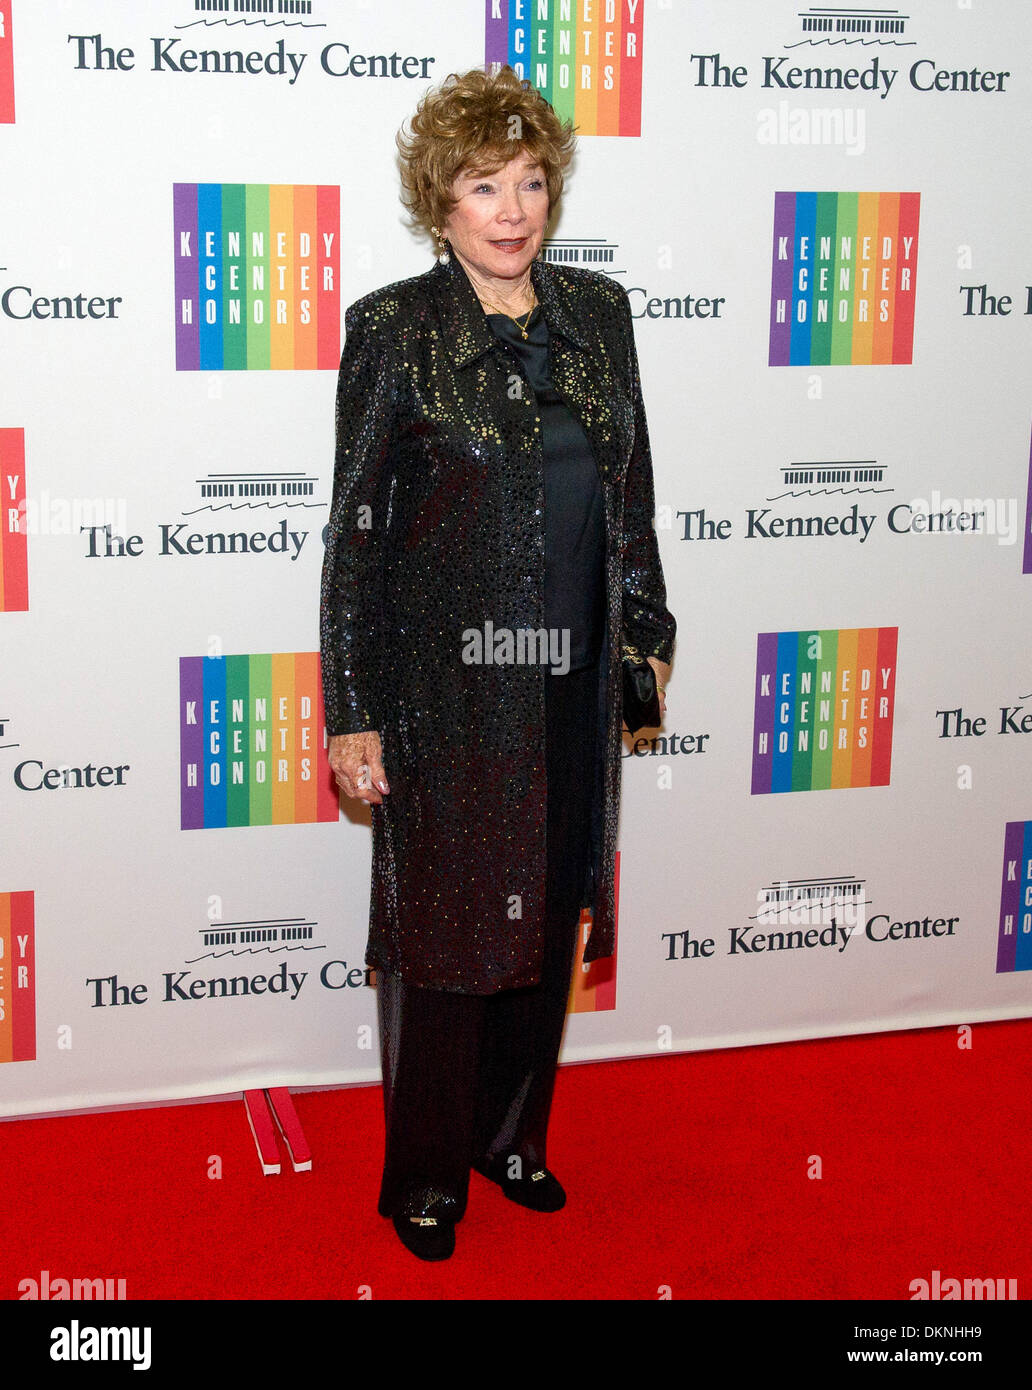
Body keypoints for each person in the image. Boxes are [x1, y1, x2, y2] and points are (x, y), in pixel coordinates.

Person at [320, 65, 676, 1261]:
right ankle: (425, 1168)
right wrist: (356, 711)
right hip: (447, 691)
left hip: (570, 684)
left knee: (547, 910)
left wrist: (644, 636)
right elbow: (356, 536)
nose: (514, 209)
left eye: (531, 182)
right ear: (442, 205)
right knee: (446, 935)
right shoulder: (392, 331)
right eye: (486, 186)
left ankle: (512, 1134)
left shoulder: (601, 314)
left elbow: (630, 494)